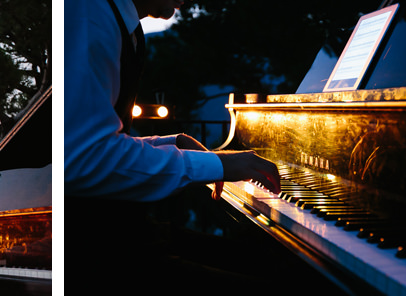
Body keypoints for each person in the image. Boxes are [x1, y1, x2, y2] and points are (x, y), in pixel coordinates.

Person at [64, 0, 293, 294]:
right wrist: (219, 165)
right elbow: (80, 158)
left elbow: (90, 141)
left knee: (271, 261)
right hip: (99, 254)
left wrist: (170, 143)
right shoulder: (89, 15)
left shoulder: (117, 22)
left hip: (121, 233)